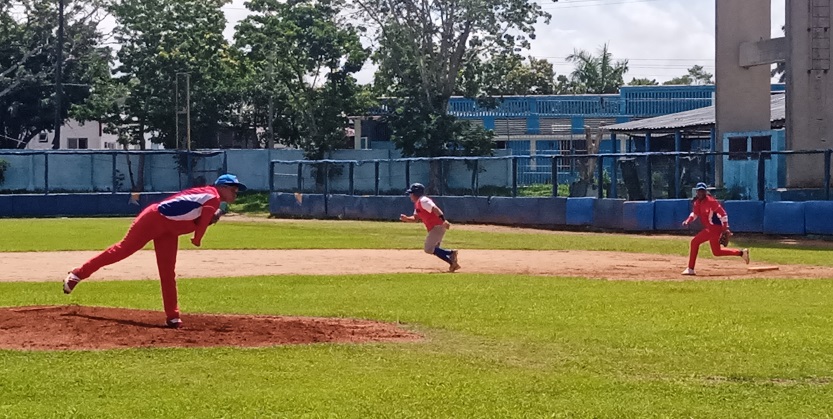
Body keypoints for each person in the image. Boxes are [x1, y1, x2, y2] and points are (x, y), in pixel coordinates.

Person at [62, 174, 247, 328]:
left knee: (168, 272)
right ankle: (77, 274)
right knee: (122, 250)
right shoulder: (212, 196)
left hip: (169, 230)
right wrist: (198, 237)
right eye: (232, 188)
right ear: (221, 186)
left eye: (236, 190)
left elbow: (187, 217)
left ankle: (173, 315)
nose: (235, 192)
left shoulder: (209, 197)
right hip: (153, 219)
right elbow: (200, 225)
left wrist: (202, 222)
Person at [681, 182, 750, 275]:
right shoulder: (697, 202)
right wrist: (688, 220)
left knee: (694, 242)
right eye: (699, 191)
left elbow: (723, 214)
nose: (701, 193)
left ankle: (690, 268)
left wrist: (725, 228)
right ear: (696, 192)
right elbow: (695, 214)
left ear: (705, 192)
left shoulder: (711, 202)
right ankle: (741, 253)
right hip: (711, 228)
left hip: (714, 228)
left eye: (702, 191)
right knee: (717, 252)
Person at [399, 183, 461, 272]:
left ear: (415, 194)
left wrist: (443, 221)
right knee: (434, 249)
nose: (410, 196)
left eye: (411, 193)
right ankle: (452, 263)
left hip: (438, 226)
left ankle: (451, 253)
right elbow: (415, 218)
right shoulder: (418, 203)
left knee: (428, 249)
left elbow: (435, 209)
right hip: (434, 227)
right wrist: (406, 218)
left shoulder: (424, 200)